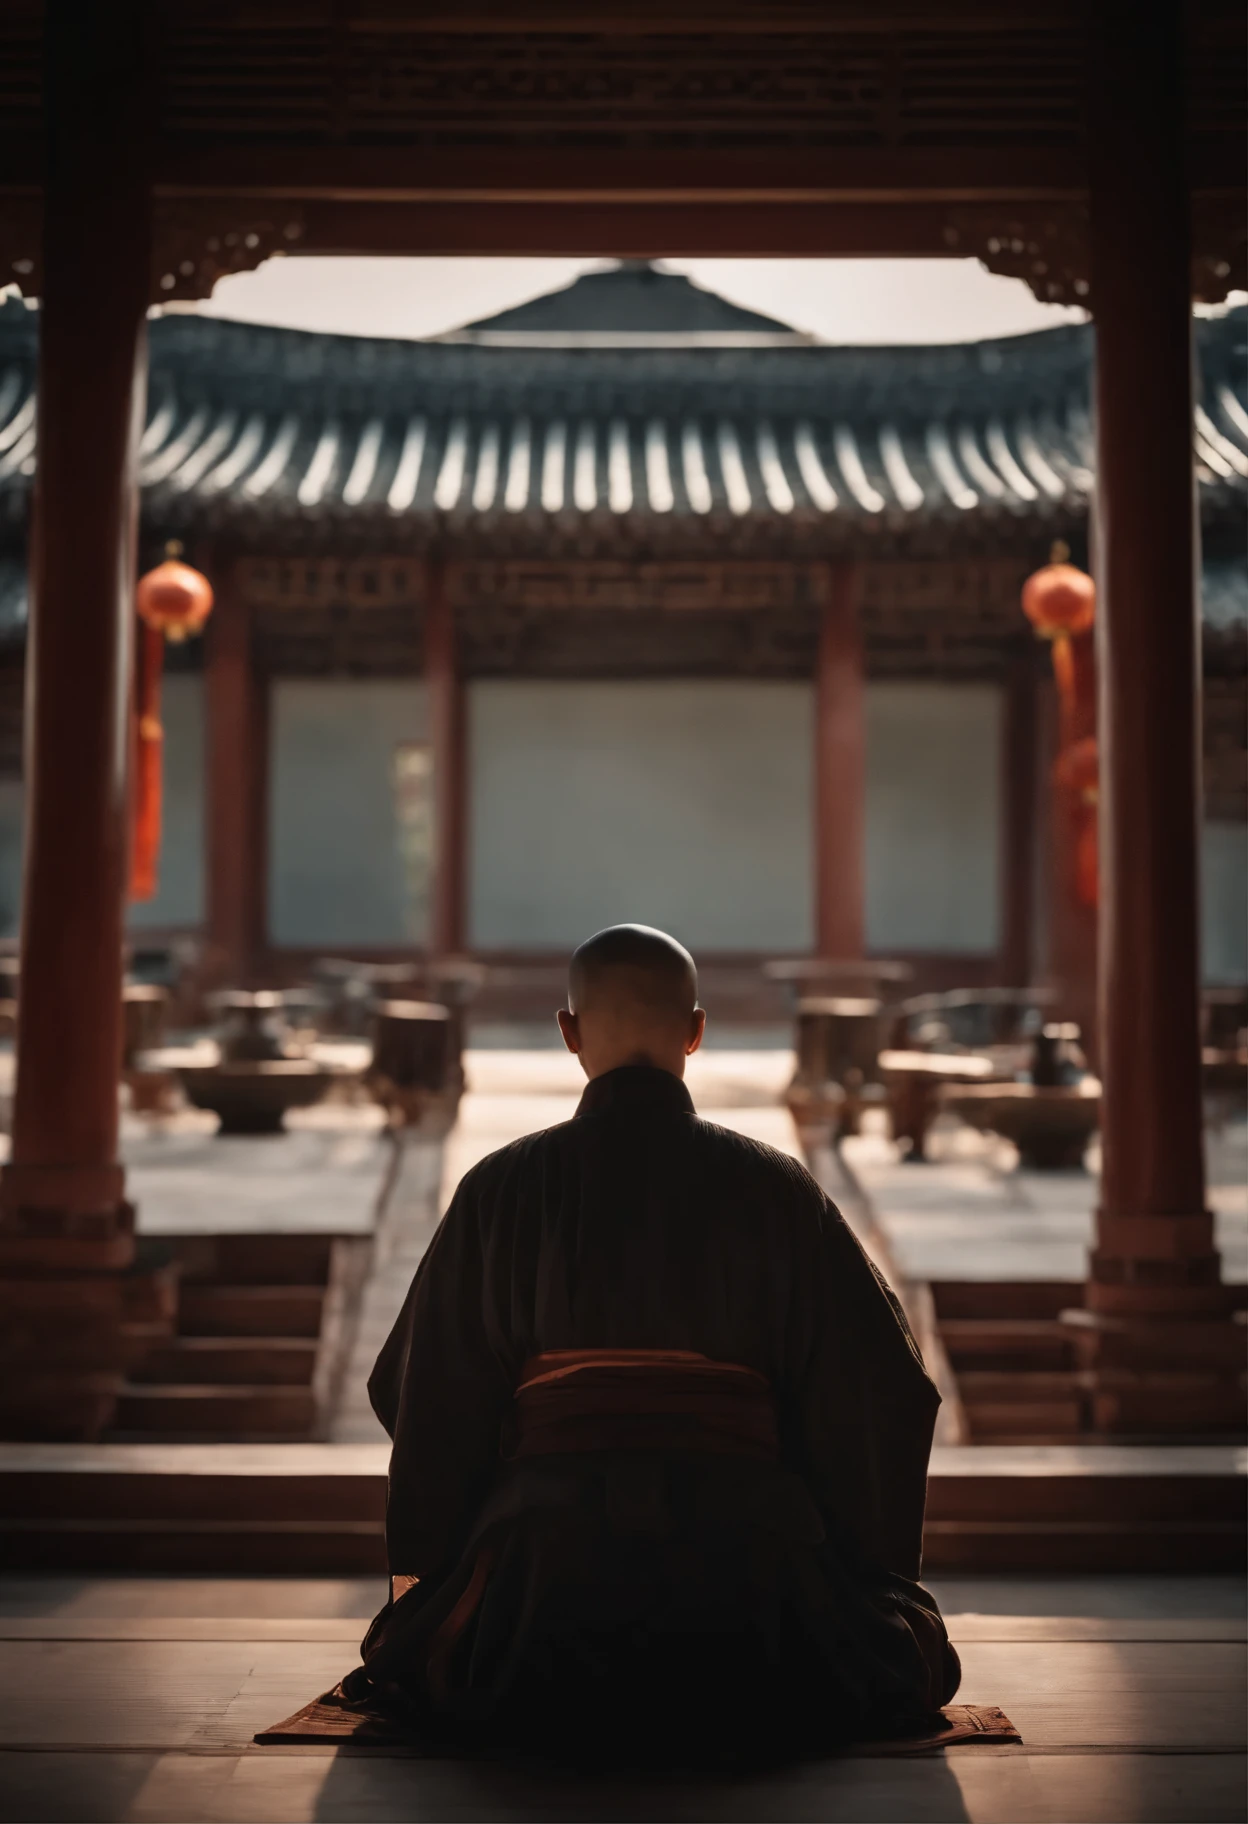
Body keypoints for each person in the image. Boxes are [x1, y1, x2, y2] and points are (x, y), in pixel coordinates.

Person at [344, 923, 959, 1759]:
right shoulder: (778, 1190)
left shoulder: (499, 1189)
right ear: (696, 1031)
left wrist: (452, 1550)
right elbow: (882, 1389)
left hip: (537, 1590)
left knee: (418, 1650)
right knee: (900, 1647)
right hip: (757, 1583)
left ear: (569, 1032)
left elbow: (426, 1395)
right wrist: (846, 1555)